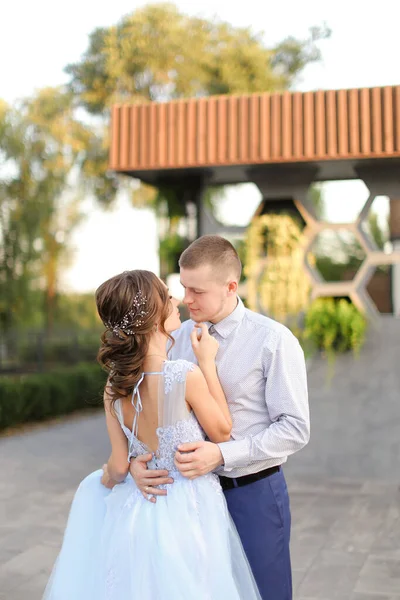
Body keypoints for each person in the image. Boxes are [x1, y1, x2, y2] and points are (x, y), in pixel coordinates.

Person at [43, 269, 261, 600]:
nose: (175, 301)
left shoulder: (114, 388)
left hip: (140, 510)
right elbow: (222, 431)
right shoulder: (183, 374)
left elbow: (116, 467)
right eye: (166, 295)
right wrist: (207, 363)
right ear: (151, 316)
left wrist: (128, 467)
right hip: (191, 509)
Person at [131, 235, 310, 600]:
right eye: (183, 287)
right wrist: (136, 460)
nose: (185, 299)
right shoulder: (173, 337)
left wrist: (222, 454)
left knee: (264, 594)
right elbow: (145, 408)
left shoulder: (273, 340)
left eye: (197, 290)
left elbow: (294, 429)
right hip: (187, 502)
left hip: (253, 494)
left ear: (231, 287)